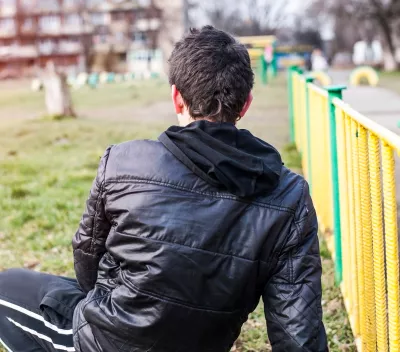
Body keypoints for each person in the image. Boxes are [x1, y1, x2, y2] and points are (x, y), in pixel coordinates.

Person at [0, 26, 327, 352]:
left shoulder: (123, 161)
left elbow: (86, 262)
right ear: (245, 105)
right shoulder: (290, 195)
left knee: (6, 286)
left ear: (176, 97)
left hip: (104, 342)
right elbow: (298, 334)